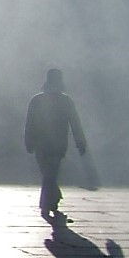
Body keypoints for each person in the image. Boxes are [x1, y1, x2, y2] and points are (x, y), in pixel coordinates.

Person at [24, 68, 88, 219]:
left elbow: (29, 124)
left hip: (44, 145)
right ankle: (53, 200)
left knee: (48, 174)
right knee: (50, 174)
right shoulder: (65, 101)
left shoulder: (37, 100)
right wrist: (80, 142)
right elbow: (75, 124)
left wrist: (29, 141)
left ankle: (46, 204)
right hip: (57, 144)